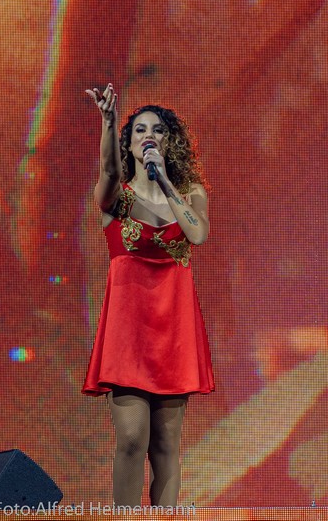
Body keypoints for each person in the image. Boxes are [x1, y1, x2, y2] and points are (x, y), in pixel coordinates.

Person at [82, 84, 215, 507]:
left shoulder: (191, 194)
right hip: (129, 332)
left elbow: (197, 233)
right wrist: (108, 121)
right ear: (129, 143)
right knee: (131, 438)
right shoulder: (117, 201)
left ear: (169, 141)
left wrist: (167, 184)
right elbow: (107, 173)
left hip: (173, 330)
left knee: (165, 445)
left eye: (157, 130)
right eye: (139, 130)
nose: (148, 136)